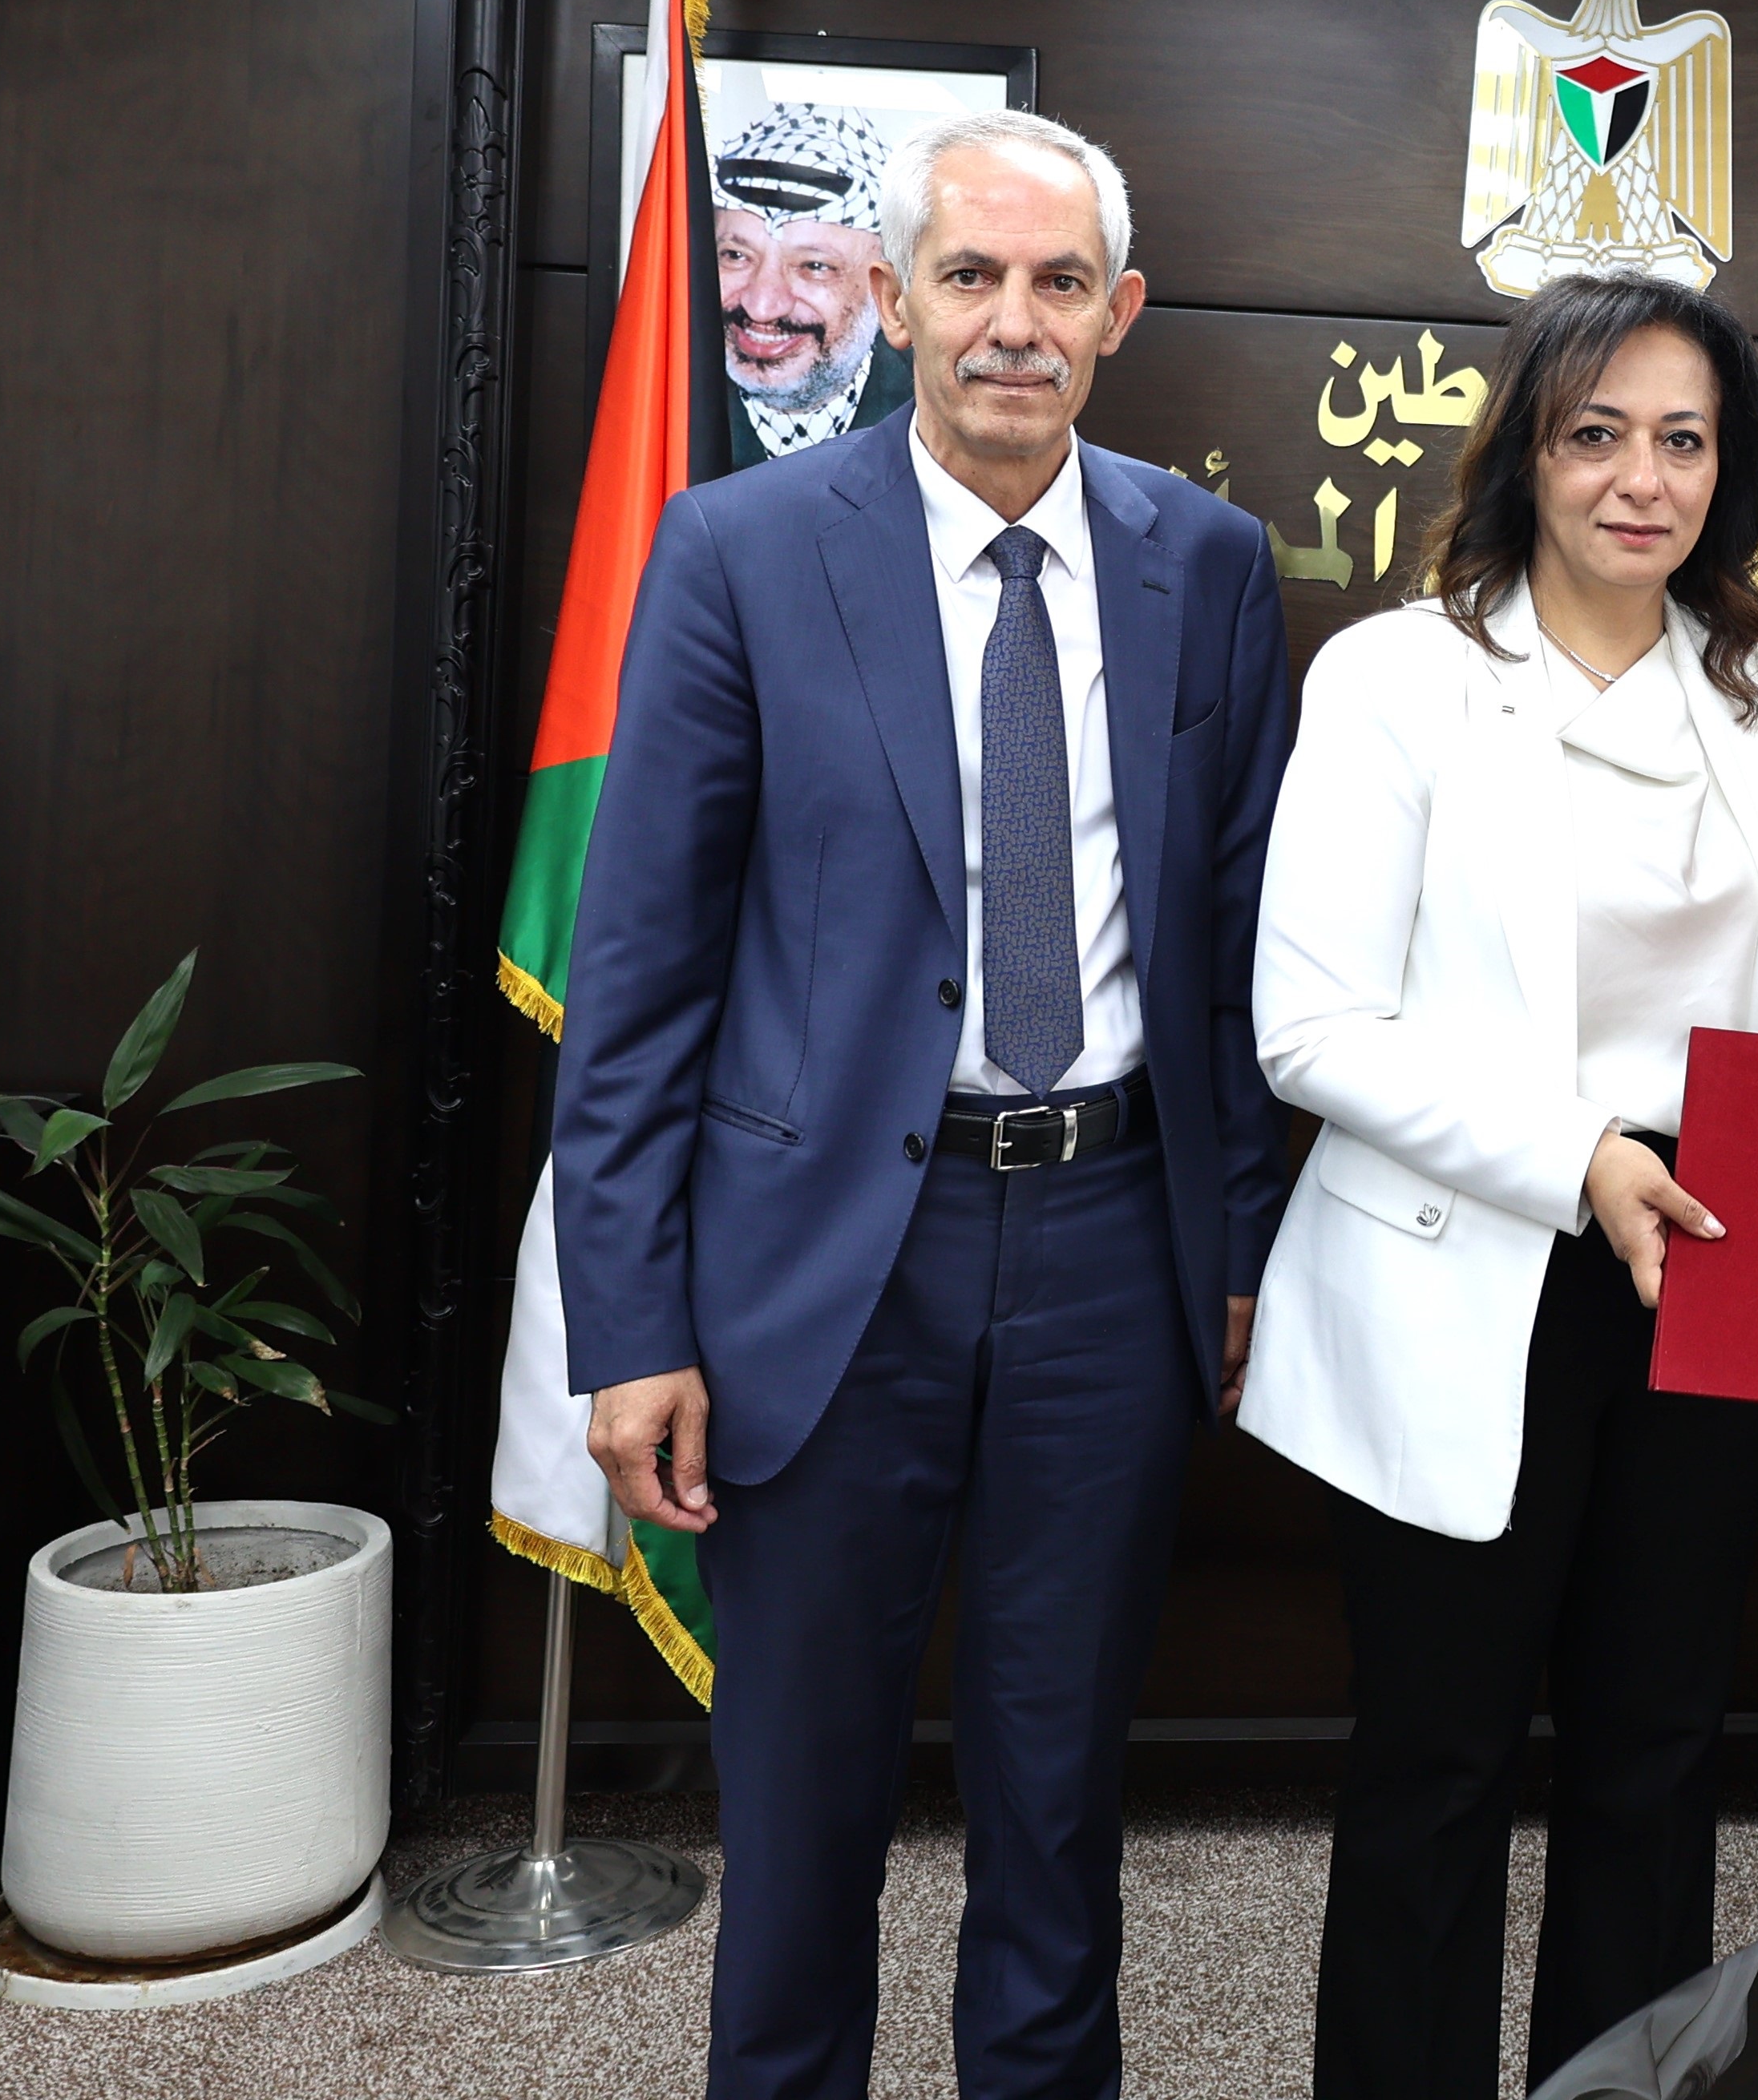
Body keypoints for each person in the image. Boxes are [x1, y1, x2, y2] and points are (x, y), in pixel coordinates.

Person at [555, 109, 1293, 2100]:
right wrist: (629, 1324)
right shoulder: (740, 553)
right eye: (969, 276)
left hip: (1113, 1248)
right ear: (892, 301)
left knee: (1059, 1806)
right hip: (822, 1270)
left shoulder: (1213, 569)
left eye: (1060, 282)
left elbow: (1232, 955)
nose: (1011, 323)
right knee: (801, 1818)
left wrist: (1234, 1247)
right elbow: (638, 980)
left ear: (1121, 313)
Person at [1243, 271, 1758, 2100]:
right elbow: (1309, 1025)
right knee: (1438, 1760)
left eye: (1682, 440)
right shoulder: (1400, 675)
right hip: (1478, 1256)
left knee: (1655, 1754)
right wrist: (1576, 1159)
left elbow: (1732, 998)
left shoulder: (1749, 690)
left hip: (1704, 1259)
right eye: (1595, 432)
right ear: (1527, 450)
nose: (1640, 477)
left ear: (1731, 467)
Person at [711, 100, 913, 465]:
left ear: (886, 292)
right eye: (736, 256)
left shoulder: (941, 415)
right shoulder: (656, 398)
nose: (762, 307)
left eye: (814, 266)